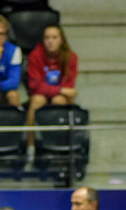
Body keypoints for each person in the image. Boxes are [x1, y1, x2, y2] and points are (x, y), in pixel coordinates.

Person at [26, 24, 78, 159]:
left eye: (54, 37)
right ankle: (30, 145)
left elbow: (69, 86)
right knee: (37, 101)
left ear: (61, 40)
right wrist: (60, 89)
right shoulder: (35, 55)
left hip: (59, 96)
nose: (50, 41)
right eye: (47, 38)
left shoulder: (71, 57)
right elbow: (35, 86)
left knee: (58, 100)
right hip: (42, 94)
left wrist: (59, 91)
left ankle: (57, 144)